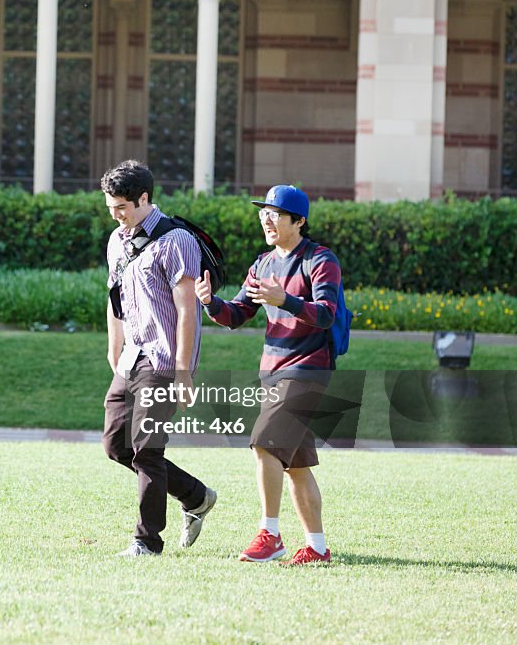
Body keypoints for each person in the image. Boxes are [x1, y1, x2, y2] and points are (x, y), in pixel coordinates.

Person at [196, 184, 342, 566]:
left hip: (309, 368)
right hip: (272, 372)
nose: (267, 218)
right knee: (295, 465)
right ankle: (317, 547)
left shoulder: (320, 259)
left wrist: (287, 301)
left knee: (264, 444)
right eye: (264, 212)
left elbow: (326, 313)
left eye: (275, 213)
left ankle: (270, 535)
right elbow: (237, 315)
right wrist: (211, 302)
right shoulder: (262, 264)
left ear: (299, 220)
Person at [101, 160, 216, 557]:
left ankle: (146, 542)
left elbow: (188, 310)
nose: (116, 215)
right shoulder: (118, 240)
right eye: (110, 206)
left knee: (147, 450)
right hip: (131, 356)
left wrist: (183, 372)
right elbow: (114, 297)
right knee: (117, 445)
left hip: (164, 360)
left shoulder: (176, 240)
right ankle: (195, 495)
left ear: (144, 198)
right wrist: (113, 346)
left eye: (122, 207)